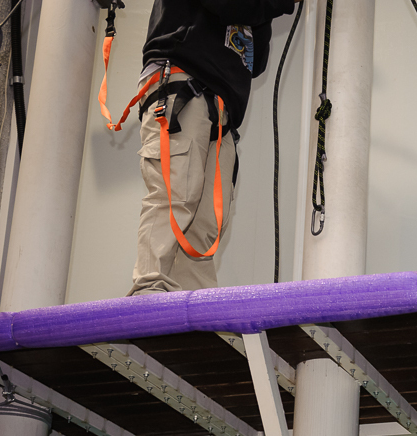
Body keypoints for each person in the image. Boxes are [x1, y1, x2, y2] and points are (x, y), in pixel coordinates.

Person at [128, 0, 299, 295]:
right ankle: (150, 289)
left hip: (218, 107)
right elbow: (230, 6)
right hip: (183, 82)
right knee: (176, 194)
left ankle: (192, 303)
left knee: (206, 219)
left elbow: (255, 62)